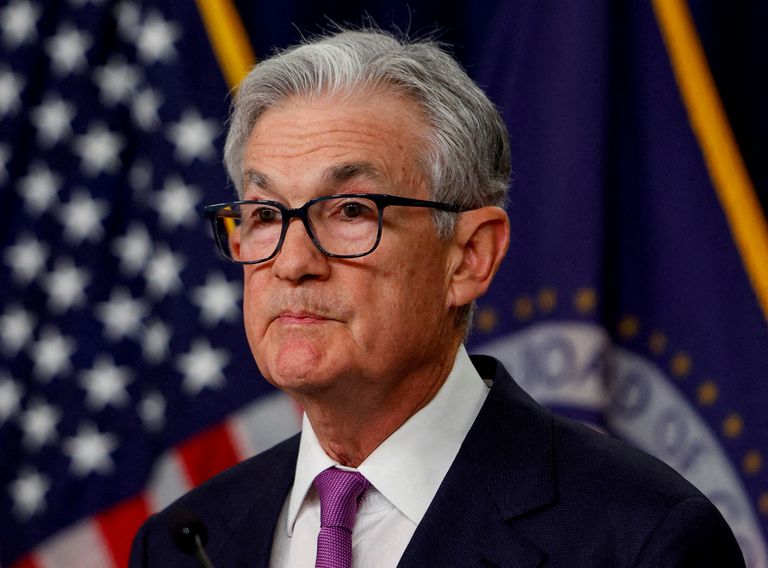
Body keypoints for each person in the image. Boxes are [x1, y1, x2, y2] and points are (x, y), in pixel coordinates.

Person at [129, 29, 744, 567]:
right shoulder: (183, 542)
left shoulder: (642, 539)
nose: (291, 262)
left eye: (350, 209)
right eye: (264, 213)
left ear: (470, 256)